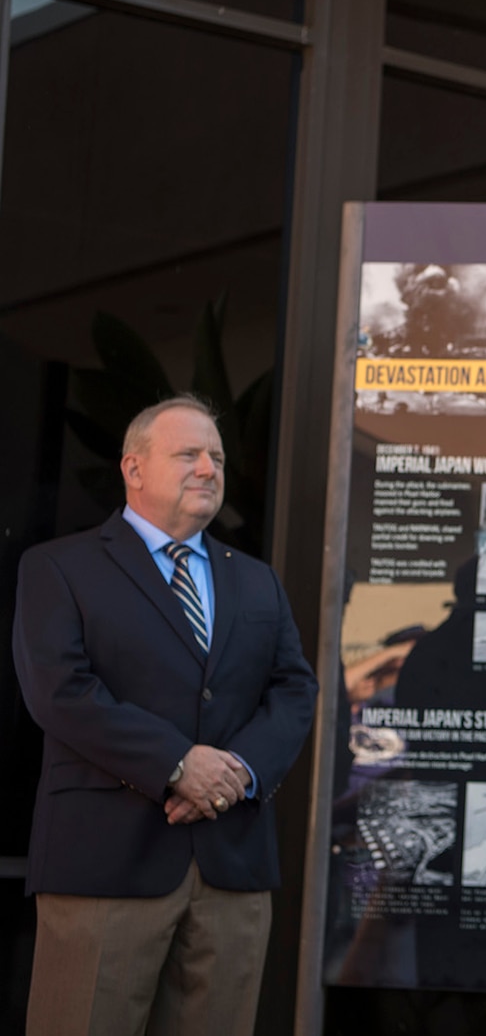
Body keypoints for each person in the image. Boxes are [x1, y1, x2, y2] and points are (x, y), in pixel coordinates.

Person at [14, 395, 319, 1035]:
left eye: (217, 457)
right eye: (189, 454)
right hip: (105, 866)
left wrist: (235, 769)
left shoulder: (257, 581)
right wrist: (176, 764)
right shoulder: (58, 567)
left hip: (232, 869)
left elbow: (294, 690)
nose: (209, 468)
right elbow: (60, 690)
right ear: (134, 468)